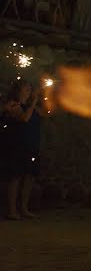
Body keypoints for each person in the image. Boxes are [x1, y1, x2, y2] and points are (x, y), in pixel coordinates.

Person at [2, 80, 46, 219]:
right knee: (16, 178)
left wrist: (43, 97)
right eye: (26, 89)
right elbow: (24, 118)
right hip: (17, 145)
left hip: (31, 145)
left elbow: (46, 113)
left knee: (29, 177)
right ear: (18, 91)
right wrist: (33, 103)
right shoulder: (12, 104)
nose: (29, 91)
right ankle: (12, 211)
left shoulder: (31, 106)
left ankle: (24, 208)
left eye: (30, 89)